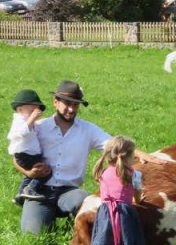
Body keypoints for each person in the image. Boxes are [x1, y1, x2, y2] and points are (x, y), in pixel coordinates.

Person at [14, 80, 112, 236]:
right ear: (55, 102)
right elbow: (17, 155)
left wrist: (140, 154)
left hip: (70, 192)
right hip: (40, 193)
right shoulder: (39, 127)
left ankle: (76, 221)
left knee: (88, 201)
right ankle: (45, 217)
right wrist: (30, 173)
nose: (71, 109)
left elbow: (114, 145)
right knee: (33, 237)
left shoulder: (88, 130)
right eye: (67, 103)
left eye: (75, 105)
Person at [88, 136, 146, 245]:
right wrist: (137, 201)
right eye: (133, 154)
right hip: (125, 214)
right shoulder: (133, 174)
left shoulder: (103, 172)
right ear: (126, 156)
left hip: (105, 213)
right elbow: (138, 194)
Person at [8, 88, 49, 204]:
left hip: (29, 154)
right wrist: (32, 119)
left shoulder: (30, 122)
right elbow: (23, 132)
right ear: (20, 109)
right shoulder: (19, 121)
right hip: (25, 155)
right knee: (44, 172)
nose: (35, 112)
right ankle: (31, 189)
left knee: (29, 176)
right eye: (31, 110)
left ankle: (20, 195)